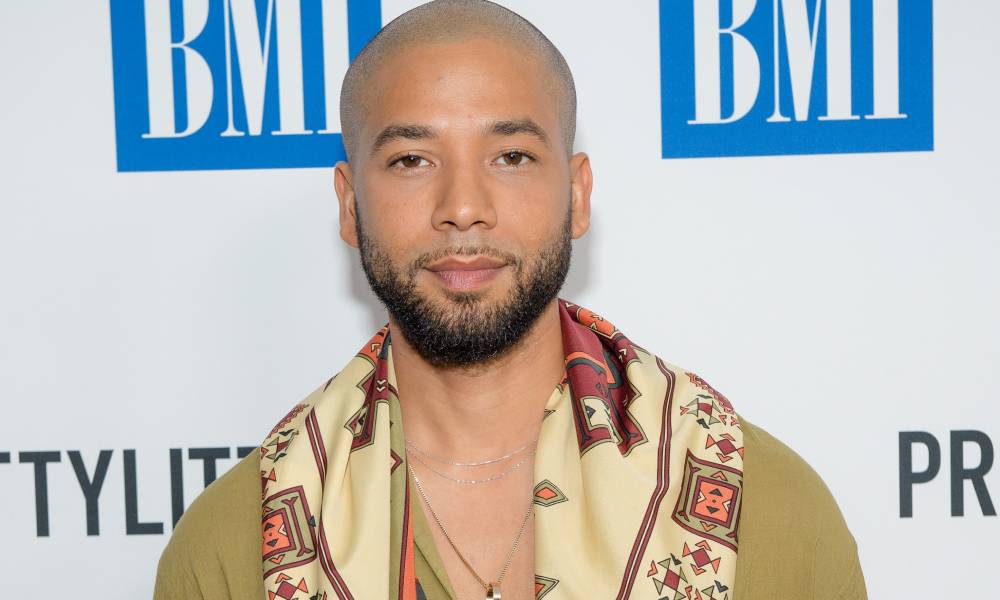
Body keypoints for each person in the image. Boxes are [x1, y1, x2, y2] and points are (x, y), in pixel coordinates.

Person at [154, 1, 867, 599]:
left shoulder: (761, 512)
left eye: (512, 157)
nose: (463, 207)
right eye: (411, 160)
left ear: (578, 194)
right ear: (348, 206)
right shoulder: (239, 545)